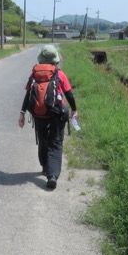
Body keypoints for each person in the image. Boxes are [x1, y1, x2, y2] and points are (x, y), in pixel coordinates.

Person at [18, 44, 78, 190]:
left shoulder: (34, 74)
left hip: (39, 114)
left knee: (43, 140)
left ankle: (45, 167)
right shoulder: (59, 74)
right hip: (57, 113)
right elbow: (69, 94)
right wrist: (74, 109)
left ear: (41, 59)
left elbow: (28, 95)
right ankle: (52, 176)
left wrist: (22, 113)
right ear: (55, 60)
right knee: (55, 143)